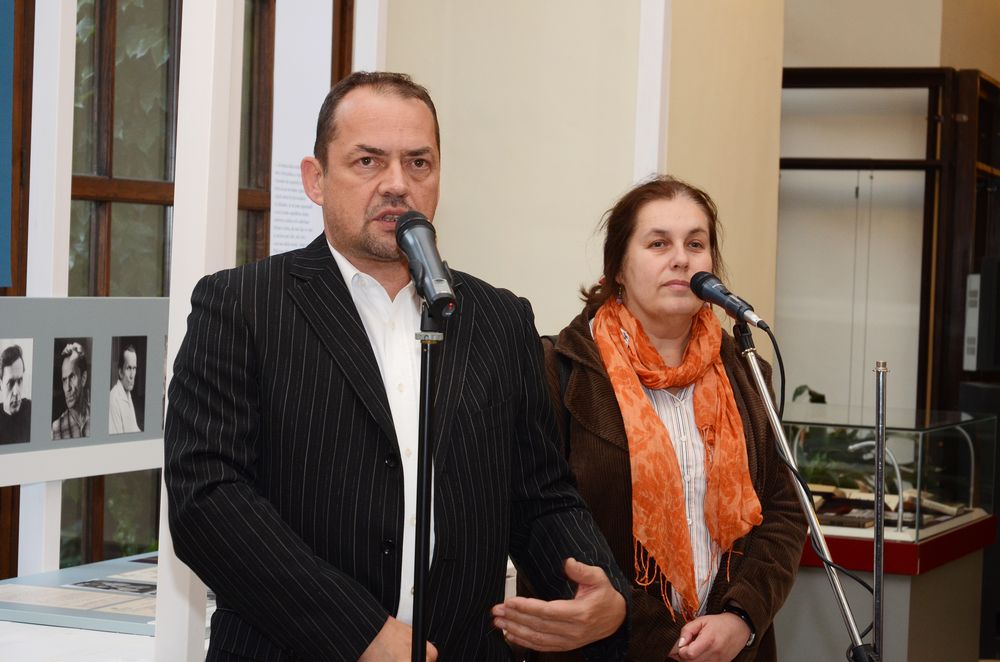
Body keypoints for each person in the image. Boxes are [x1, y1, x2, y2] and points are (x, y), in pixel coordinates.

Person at [165, 71, 628, 662]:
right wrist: (357, 632)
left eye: (418, 163)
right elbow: (206, 499)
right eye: (367, 161)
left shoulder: (499, 317)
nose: (397, 184)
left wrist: (600, 591)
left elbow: (540, 494)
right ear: (315, 179)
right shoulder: (241, 305)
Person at [509, 176, 806, 661]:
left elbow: (785, 510)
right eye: (658, 243)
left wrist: (742, 618)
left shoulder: (749, 372)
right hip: (606, 649)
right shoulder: (556, 370)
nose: (681, 259)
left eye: (696, 244)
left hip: (730, 650)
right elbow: (542, 519)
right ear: (617, 269)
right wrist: (659, 635)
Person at [52, 341, 90, 439]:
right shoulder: (56, 429)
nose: (67, 388)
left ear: (83, 379)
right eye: (64, 380)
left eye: (72, 377)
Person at [0, 344, 31, 445]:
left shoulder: (31, 409)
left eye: (20, 381)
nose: (16, 392)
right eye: (11, 383)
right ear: (1, 384)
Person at [109, 344, 141, 434]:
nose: (132, 375)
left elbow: (135, 429)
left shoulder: (127, 394)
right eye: (129, 368)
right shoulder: (114, 399)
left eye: (134, 368)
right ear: (120, 372)